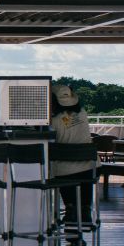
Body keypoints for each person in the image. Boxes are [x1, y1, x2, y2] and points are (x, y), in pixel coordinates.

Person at [51, 84, 95, 224]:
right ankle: (85, 209)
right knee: (83, 174)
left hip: (65, 170)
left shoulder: (53, 121)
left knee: (63, 171)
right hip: (89, 167)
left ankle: (70, 208)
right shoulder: (82, 113)